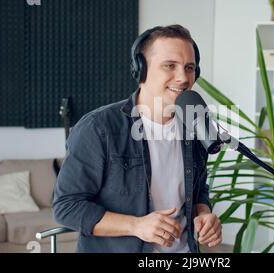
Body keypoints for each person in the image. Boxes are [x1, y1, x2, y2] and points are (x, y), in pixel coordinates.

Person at [53, 24, 222, 253]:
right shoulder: (99, 127)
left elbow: (198, 188)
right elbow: (67, 207)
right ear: (140, 70)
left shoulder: (194, 125)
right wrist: (136, 226)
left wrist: (203, 213)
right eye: (169, 66)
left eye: (189, 67)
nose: (183, 77)